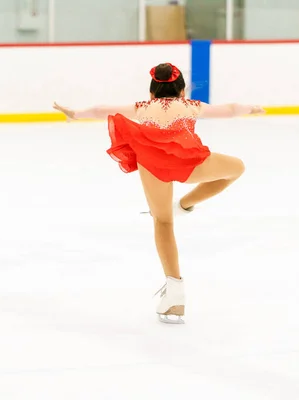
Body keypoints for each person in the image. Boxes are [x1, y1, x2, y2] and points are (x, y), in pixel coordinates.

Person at [53, 63, 265, 324]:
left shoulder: (143, 107)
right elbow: (230, 109)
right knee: (236, 169)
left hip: (153, 166)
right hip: (190, 164)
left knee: (163, 221)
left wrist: (75, 113)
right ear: (182, 90)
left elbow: (100, 110)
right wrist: (251, 108)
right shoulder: (191, 106)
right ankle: (186, 203)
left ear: (152, 92)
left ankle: (175, 295)